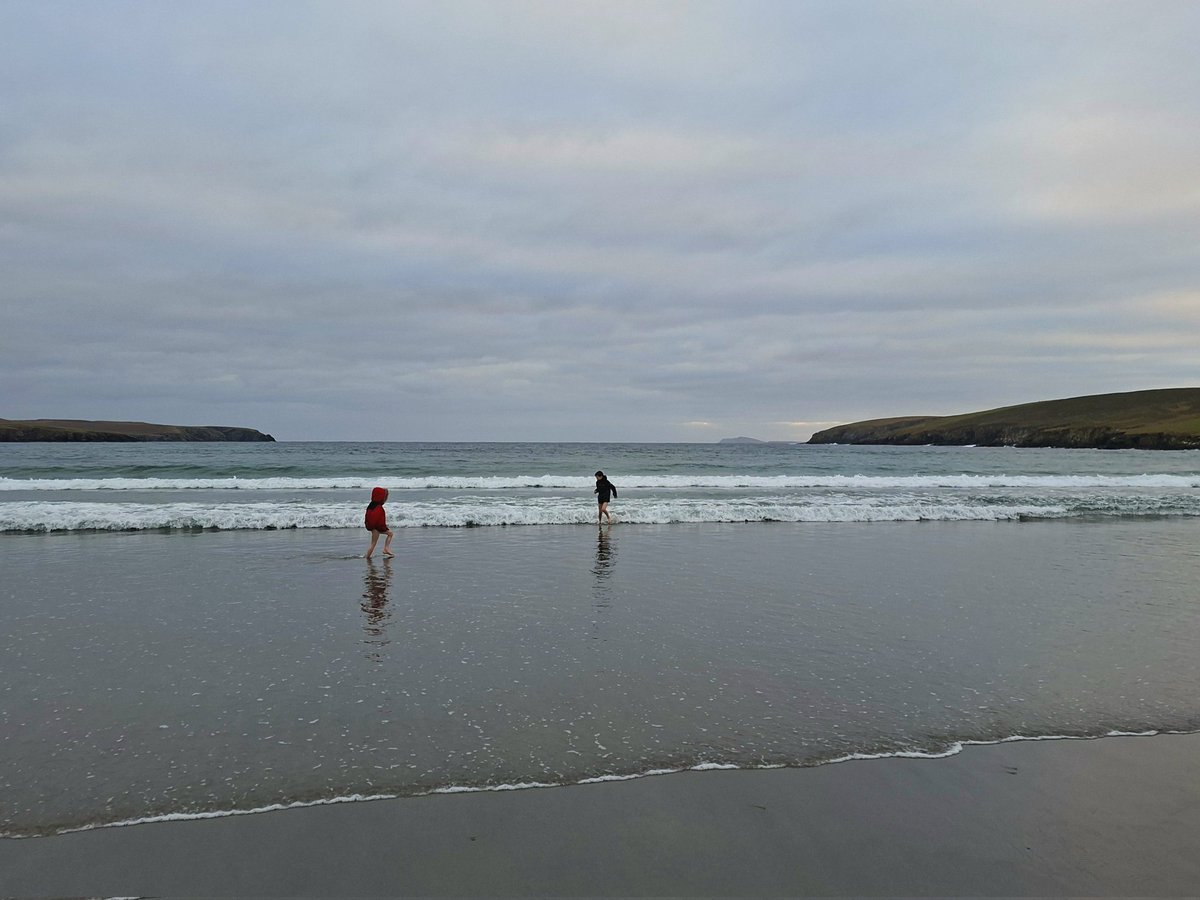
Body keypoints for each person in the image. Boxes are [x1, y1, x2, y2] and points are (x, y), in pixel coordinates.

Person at [364, 486, 394, 558]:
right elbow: (376, 519)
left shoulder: (371, 505)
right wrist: (382, 528)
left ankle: (386, 549)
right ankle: (367, 557)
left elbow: (368, 517)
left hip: (374, 527)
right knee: (373, 544)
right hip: (376, 528)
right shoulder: (378, 507)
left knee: (390, 534)